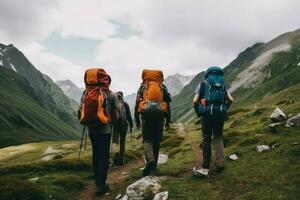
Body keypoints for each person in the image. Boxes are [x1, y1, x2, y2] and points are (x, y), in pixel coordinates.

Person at [78, 68, 119, 196]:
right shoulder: (111, 95)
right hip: (105, 130)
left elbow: (80, 111)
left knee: (96, 155)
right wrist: (113, 123)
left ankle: (97, 181)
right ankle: (101, 184)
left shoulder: (86, 93)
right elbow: (116, 114)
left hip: (91, 130)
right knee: (104, 156)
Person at [193, 66, 233, 176]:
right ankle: (220, 164)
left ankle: (206, 165)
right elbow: (231, 99)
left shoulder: (203, 84)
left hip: (206, 115)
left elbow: (195, 101)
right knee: (218, 137)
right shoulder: (222, 85)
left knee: (206, 138)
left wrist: (199, 112)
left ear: (207, 74)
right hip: (219, 115)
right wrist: (224, 110)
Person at [135, 69, 171, 176]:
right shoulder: (162, 87)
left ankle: (150, 160)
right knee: (156, 141)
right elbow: (168, 105)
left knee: (147, 140)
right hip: (159, 118)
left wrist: (137, 120)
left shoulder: (142, 88)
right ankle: (154, 166)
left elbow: (137, 104)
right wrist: (168, 120)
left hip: (146, 118)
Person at [112, 91, 133, 166]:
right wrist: (131, 125)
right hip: (124, 126)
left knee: (115, 142)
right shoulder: (125, 104)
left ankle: (115, 158)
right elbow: (129, 116)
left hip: (116, 126)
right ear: (122, 96)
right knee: (122, 142)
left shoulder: (114, 104)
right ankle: (121, 160)